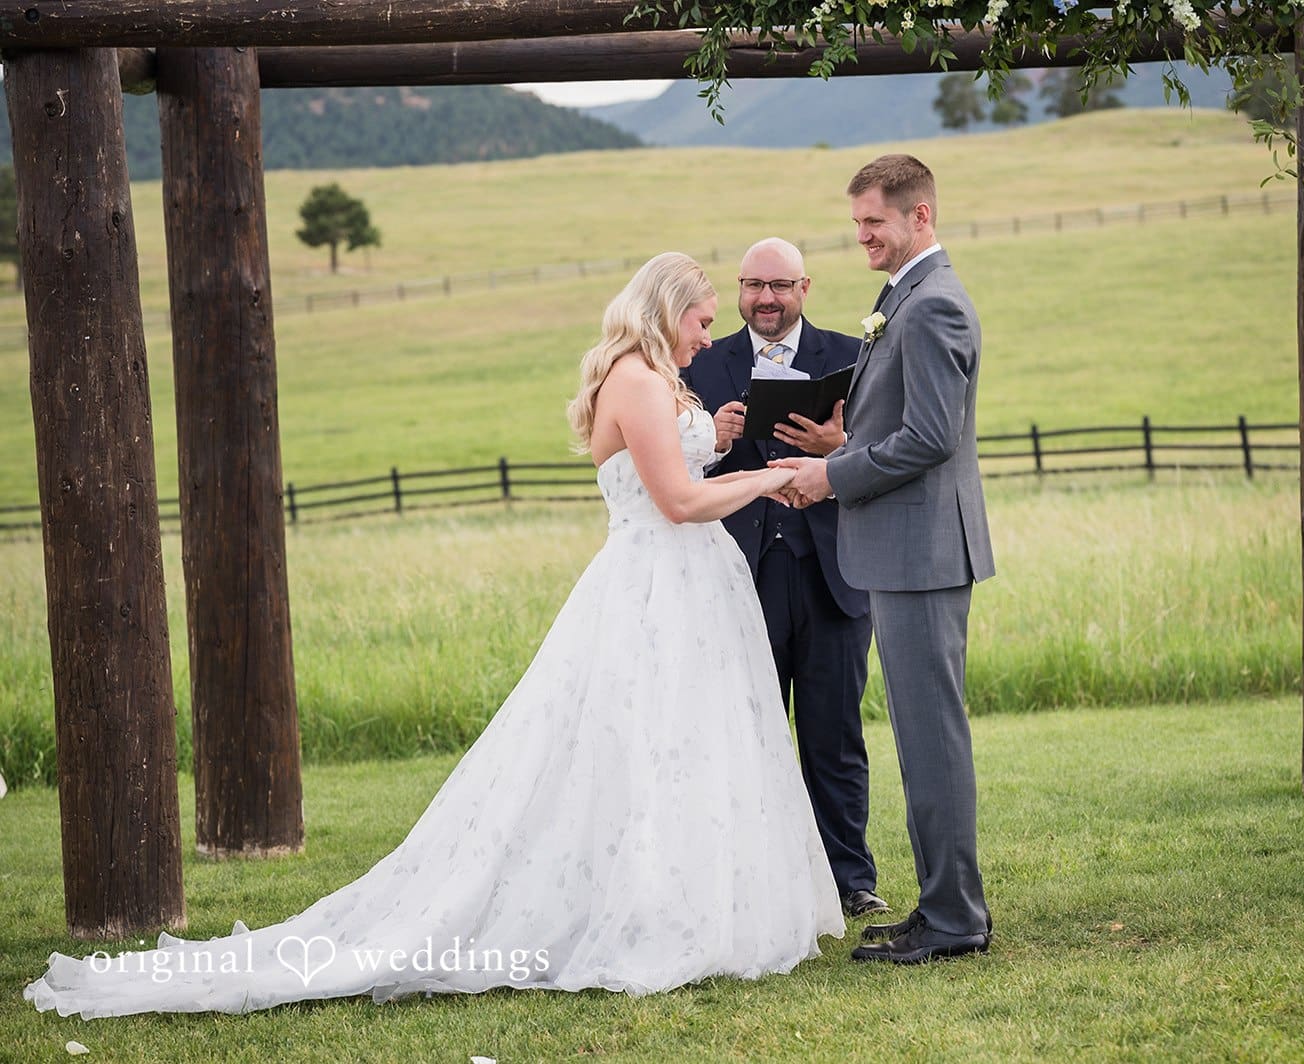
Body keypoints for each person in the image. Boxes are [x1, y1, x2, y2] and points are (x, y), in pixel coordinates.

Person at [24, 252, 844, 1019]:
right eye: (702, 319)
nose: (711, 334)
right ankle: (634, 913)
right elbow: (675, 503)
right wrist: (775, 479)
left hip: (690, 587)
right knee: (631, 747)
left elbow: (688, 479)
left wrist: (738, 460)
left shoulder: (659, 377)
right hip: (652, 588)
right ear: (668, 312)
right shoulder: (633, 379)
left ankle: (689, 901)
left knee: (687, 748)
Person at [776, 154, 995, 965]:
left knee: (932, 738)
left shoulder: (933, 305)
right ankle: (940, 905)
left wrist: (831, 473)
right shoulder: (905, 295)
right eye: (858, 223)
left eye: (874, 222)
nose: (861, 236)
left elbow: (934, 439)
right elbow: (904, 425)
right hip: (906, 551)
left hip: (922, 554)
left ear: (921, 217)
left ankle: (955, 921)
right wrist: (845, 445)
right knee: (917, 735)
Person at [681, 237, 885, 920]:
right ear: (739, 291)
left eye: (779, 285)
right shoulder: (703, 364)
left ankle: (849, 878)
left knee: (833, 734)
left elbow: (885, 455)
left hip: (833, 572)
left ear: (805, 287)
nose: (764, 299)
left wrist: (839, 451)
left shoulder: (853, 358)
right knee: (747, 733)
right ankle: (757, 878)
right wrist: (711, 434)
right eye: (752, 285)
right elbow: (674, 468)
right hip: (740, 576)